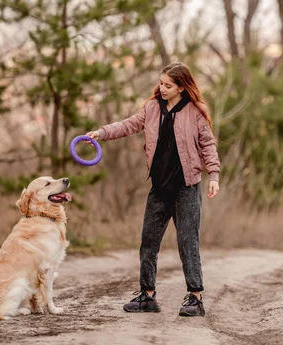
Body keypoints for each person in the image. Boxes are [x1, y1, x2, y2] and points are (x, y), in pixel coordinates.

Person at [85, 62, 220, 317]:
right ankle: (147, 296)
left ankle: (195, 297)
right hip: (159, 188)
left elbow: (208, 146)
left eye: (168, 85)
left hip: (186, 188)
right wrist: (101, 133)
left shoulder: (195, 111)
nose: (162, 89)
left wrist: (213, 175)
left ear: (182, 86)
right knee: (148, 242)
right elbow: (128, 125)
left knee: (187, 242)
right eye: (161, 83)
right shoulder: (151, 108)